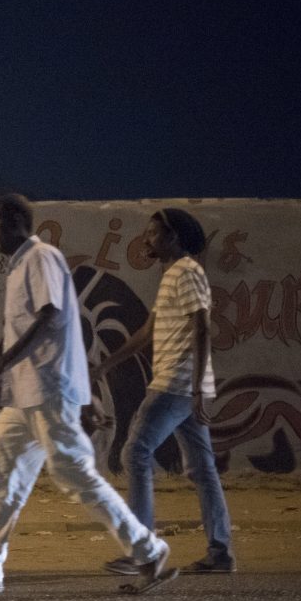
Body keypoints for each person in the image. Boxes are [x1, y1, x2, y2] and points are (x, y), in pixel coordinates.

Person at [0, 194, 177, 594]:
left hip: (50, 393)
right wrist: (7, 377)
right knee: (0, 478)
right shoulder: (18, 266)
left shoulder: (41, 257)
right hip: (24, 398)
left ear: (18, 220)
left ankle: (148, 550)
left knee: (76, 475)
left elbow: (51, 317)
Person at [94, 208, 235, 574]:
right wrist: (106, 366)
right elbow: (147, 332)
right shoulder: (173, 274)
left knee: (135, 454)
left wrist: (197, 389)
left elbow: (202, 326)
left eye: (154, 233)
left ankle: (144, 550)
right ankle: (220, 553)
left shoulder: (186, 272)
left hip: (175, 384)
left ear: (173, 237)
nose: (146, 238)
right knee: (203, 469)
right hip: (185, 386)